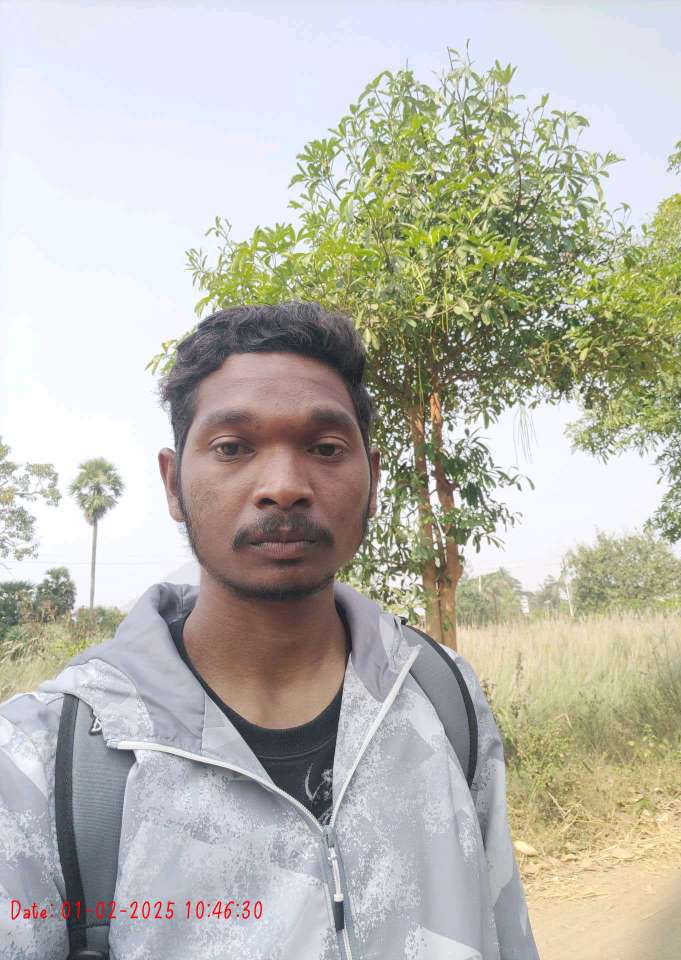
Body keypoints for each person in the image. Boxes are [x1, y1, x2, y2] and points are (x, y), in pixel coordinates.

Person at [0, 302, 539, 959]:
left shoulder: (441, 696)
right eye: (233, 448)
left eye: (325, 448)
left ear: (371, 482)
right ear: (173, 483)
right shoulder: (45, 759)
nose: (284, 487)